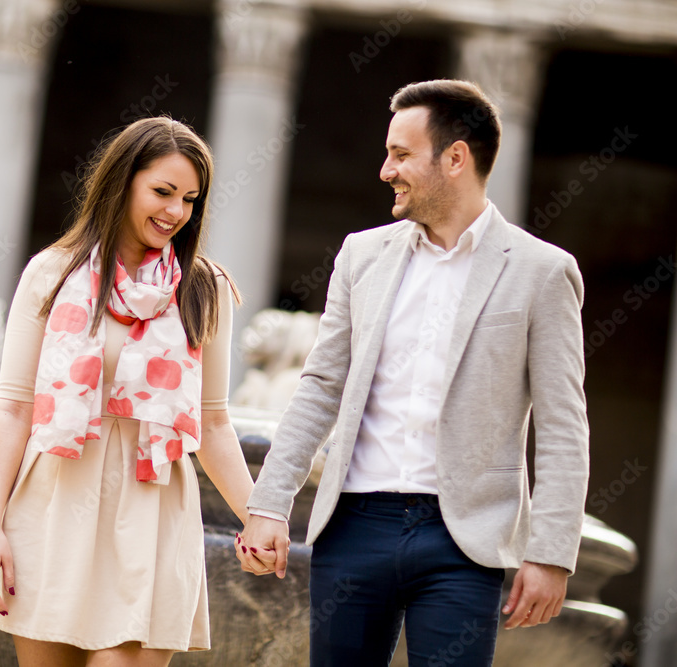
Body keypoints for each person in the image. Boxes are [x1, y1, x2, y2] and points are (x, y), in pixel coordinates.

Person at [236, 80, 589, 666]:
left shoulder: (543, 272)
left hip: (464, 540)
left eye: (401, 155)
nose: (385, 170)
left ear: (455, 158)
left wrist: (552, 552)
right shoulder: (360, 256)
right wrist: (269, 504)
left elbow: (562, 424)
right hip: (353, 525)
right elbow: (320, 387)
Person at [0, 116, 256, 667]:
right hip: (54, 502)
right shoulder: (52, 272)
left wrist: (259, 516)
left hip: (152, 509)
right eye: (162, 192)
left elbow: (213, 423)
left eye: (190, 199)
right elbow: (13, 408)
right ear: (122, 183)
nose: (176, 212)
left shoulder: (204, 289)